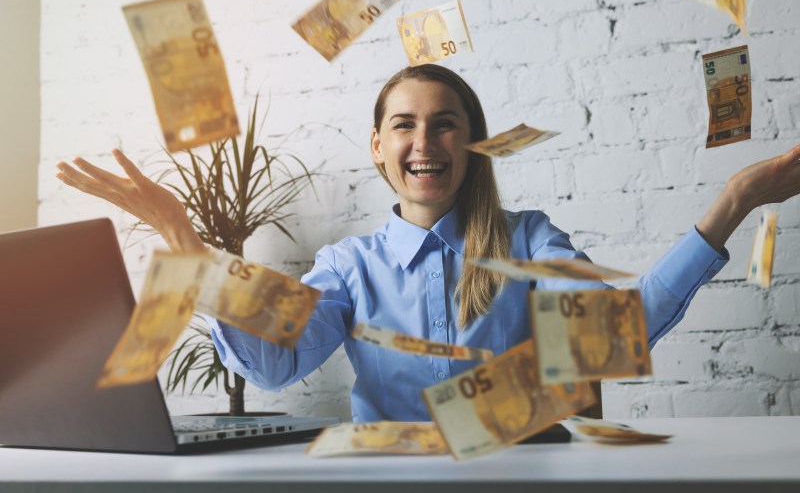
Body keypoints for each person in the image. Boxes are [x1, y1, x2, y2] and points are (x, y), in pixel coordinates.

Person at [56, 64, 800, 422]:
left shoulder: (529, 239)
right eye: (404, 125)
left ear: (471, 145)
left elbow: (612, 337)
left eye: (444, 122)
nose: (424, 141)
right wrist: (182, 239)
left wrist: (734, 201)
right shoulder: (347, 268)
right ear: (378, 148)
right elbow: (276, 364)